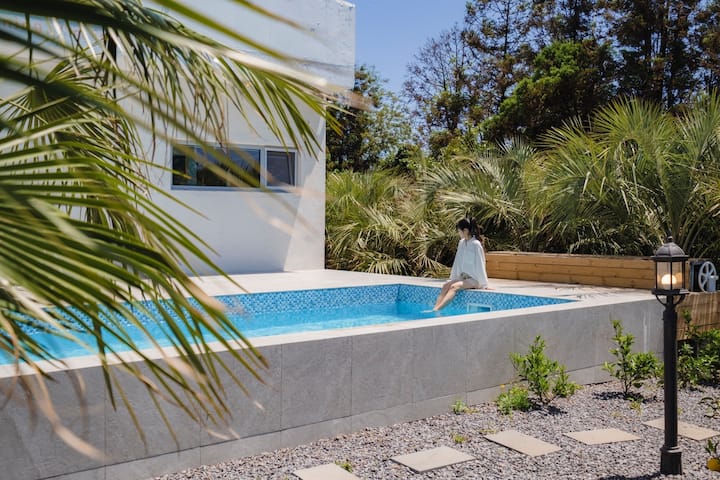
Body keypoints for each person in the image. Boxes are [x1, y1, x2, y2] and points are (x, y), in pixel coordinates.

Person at [432, 218, 489, 311]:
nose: (458, 233)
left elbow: (480, 263)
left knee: (454, 287)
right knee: (446, 285)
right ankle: (435, 308)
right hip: (463, 277)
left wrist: (484, 284)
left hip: (474, 279)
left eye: (459, 231)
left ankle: (437, 310)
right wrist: (453, 278)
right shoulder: (461, 243)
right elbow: (457, 261)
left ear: (465, 231)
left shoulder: (476, 244)